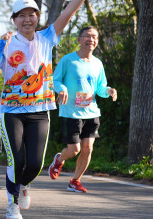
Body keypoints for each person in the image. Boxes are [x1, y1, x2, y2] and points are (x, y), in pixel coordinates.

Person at [0, 0, 100, 219]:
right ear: (14, 20)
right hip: (10, 111)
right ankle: (12, 206)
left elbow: (68, 12)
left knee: (34, 164)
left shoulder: (47, 37)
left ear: (37, 17)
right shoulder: (5, 43)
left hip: (39, 110)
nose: (27, 20)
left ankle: (23, 185)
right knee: (16, 159)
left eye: (31, 15)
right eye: (21, 16)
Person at [48, 26, 117, 192]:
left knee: (88, 148)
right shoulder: (68, 60)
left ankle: (75, 181)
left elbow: (100, 87)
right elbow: (55, 80)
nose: (91, 40)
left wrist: (108, 91)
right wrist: (62, 89)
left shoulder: (98, 63)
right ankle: (59, 159)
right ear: (79, 39)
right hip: (71, 112)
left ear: (97, 41)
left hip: (91, 112)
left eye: (94, 37)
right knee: (74, 150)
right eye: (87, 36)